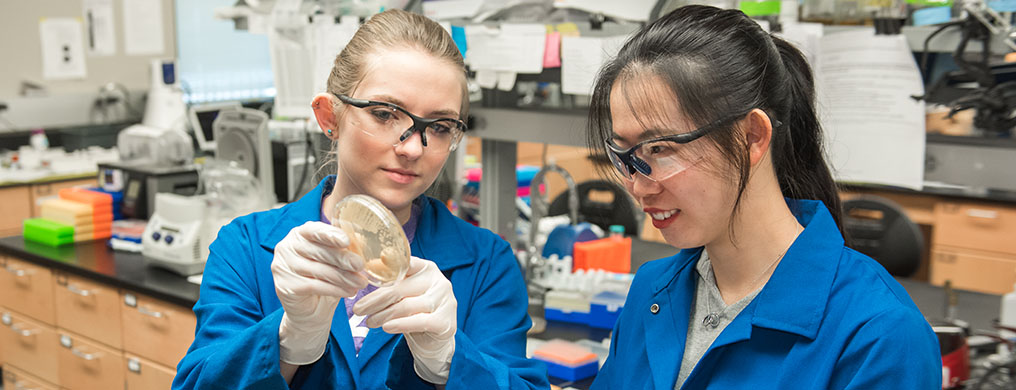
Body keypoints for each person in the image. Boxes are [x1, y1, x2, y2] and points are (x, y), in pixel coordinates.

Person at [173, 9, 548, 390]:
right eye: (385, 114)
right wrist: (288, 340)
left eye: (438, 127)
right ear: (329, 116)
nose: (414, 148)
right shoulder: (245, 248)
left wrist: (448, 361)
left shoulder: (487, 264)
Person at [585, 5, 940, 390]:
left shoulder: (878, 335)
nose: (639, 185)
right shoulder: (653, 290)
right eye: (625, 156)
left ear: (752, 136)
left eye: (660, 150)